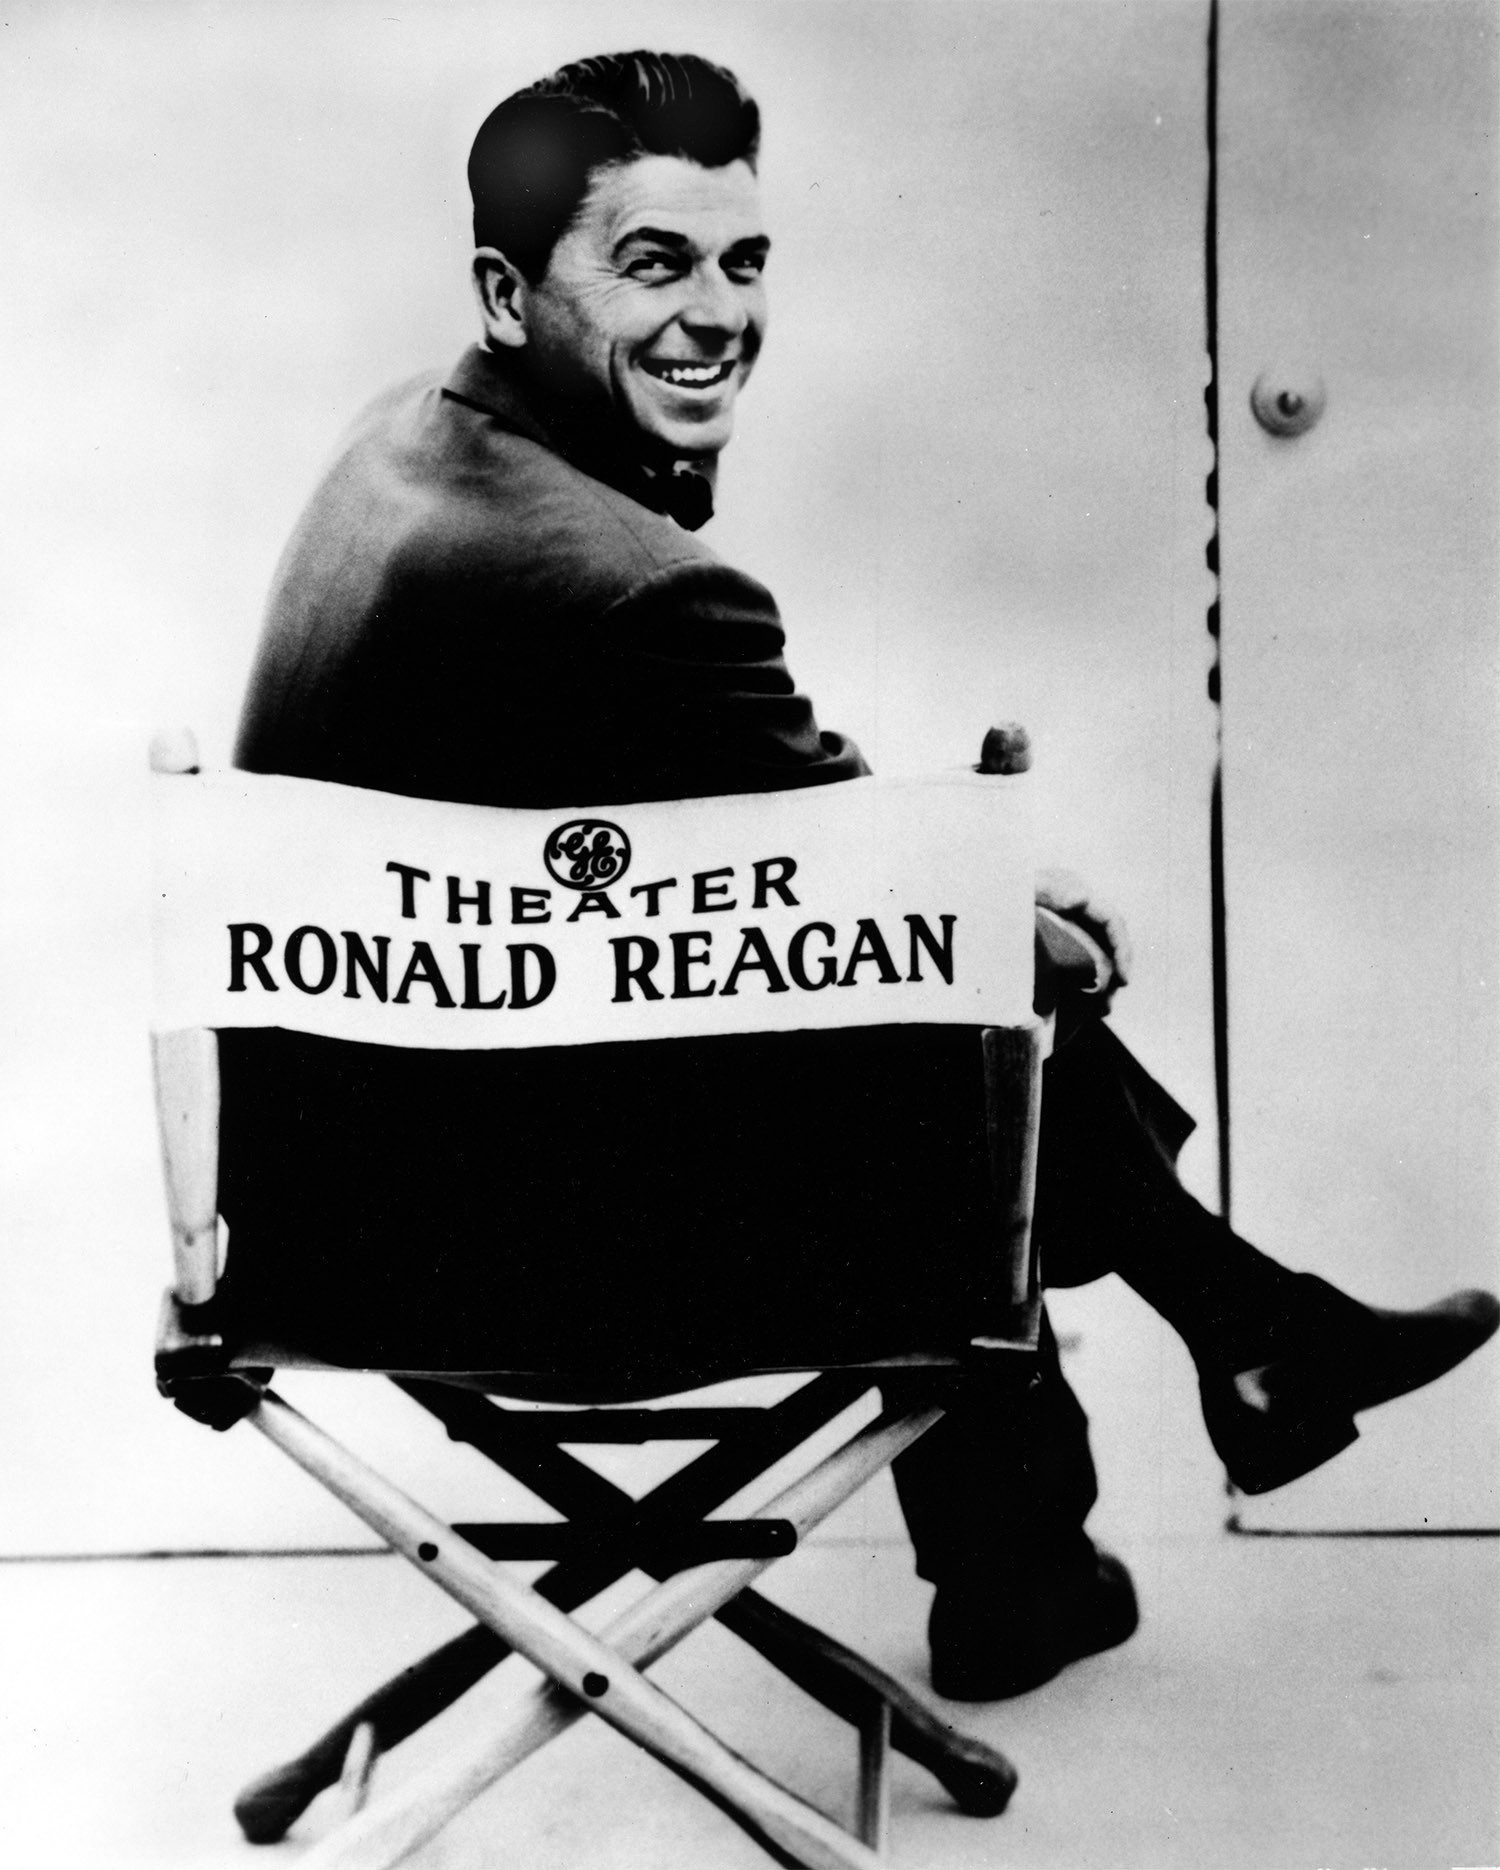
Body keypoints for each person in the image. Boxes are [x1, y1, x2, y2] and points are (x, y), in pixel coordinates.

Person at [227, 51, 1498, 1702]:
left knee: (951, 1044)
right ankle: (1175, 1414)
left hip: (324, 1179)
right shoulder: (631, 586)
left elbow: (767, 823)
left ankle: (1203, 1387)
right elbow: (856, 875)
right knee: (969, 1072)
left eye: (744, 260)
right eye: (654, 263)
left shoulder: (412, 441)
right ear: (505, 291)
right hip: (482, 1248)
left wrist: (984, 906)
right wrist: (1021, 923)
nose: (717, 315)